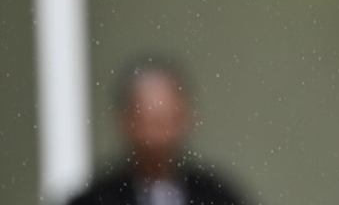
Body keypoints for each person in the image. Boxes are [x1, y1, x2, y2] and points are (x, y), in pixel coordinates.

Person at [68, 57, 248, 205]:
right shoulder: (97, 199)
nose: (163, 137)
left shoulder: (216, 196)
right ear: (126, 121)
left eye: (171, 121)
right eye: (152, 122)